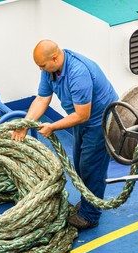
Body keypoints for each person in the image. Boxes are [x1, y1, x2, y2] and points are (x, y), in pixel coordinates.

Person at [12, 39, 119, 230]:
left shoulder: (79, 74)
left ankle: (90, 216)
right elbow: (42, 99)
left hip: (99, 122)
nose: (40, 70)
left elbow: (82, 114)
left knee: (90, 167)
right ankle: (88, 202)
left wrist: (52, 127)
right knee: (79, 163)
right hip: (79, 119)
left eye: (42, 65)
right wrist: (24, 125)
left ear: (54, 58)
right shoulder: (50, 70)